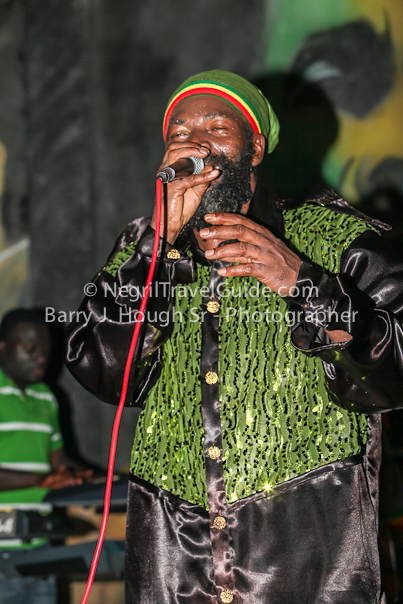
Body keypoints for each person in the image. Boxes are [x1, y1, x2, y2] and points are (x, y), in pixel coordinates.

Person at [65, 70, 403, 604]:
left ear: (255, 147)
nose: (195, 143)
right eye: (180, 132)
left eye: (216, 128)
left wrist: (302, 282)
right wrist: (154, 249)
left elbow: (395, 366)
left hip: (306, 554)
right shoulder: (145, 247)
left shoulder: (336, 238)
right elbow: (101, 368)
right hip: (176, 557)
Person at [0, 309, 86, 604]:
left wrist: (92, 477)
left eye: (46, 350)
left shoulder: (46, 398)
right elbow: (47, 476)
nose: (41, 357)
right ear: (3, 347)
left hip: (41, 545)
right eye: (30, 348)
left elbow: (57, 465)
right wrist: (41, 479)